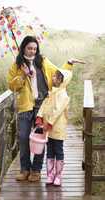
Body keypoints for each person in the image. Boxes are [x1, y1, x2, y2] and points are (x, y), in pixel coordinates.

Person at [7, 35, 78, 182]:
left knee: (40, 137)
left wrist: (69, 64)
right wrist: (23, 75)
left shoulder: (42, 61)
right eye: (29, 48)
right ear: (23, 48)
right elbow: (11, 86)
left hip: (42, 106)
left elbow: (57, 73)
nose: (32, 51)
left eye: (34, 48)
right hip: (25, 106)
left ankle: (36, 170)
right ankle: (25, 169)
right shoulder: (17, 65)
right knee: (24, 138)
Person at [35, 69, 70, 186]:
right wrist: (39, 116)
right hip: (48, 129)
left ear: (60, 80)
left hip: (57, 127)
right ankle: (50, 174)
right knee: (49, 150)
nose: (53, 78)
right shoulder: (52, 92)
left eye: (55, 77)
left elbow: (57, 110)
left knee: (58, 150)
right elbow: (44, 105)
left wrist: (49, 123)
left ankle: (58, 175)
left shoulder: (63, 95)